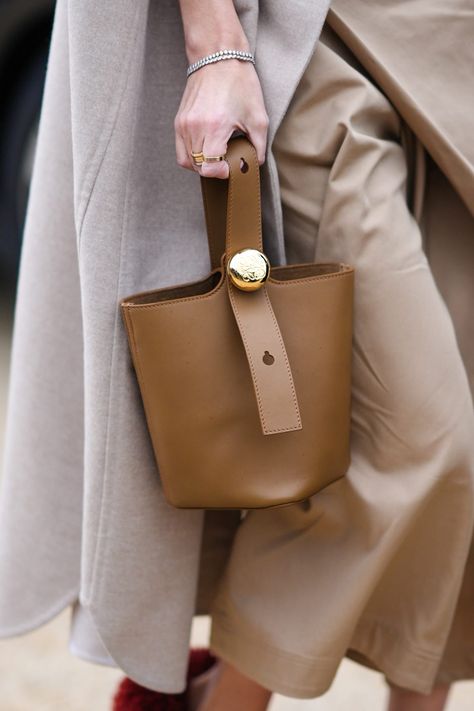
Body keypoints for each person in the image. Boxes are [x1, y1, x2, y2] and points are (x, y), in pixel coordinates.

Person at [0, 2, 472, 711]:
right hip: (310, 29)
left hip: (451, 39)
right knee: (424, 429)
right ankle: (218, 700)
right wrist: (214, 41)